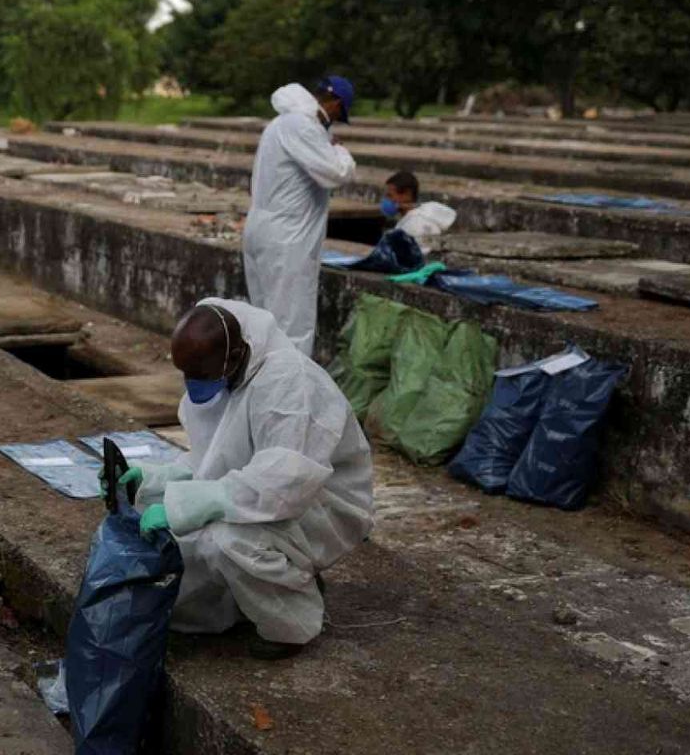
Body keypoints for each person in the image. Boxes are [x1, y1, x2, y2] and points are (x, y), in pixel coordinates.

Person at [117, 299, 374, 659]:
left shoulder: (288, 385)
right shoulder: (226, 370)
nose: (194, 386)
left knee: (226, 540)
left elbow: (283, 483)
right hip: (264, 490)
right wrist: (152, 481)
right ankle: (270, 583)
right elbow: (215, 460)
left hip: (318, 505)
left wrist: (183, 506)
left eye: (200, 376)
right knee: (170, 532)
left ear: (236, 355)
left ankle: (292, 623)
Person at [242, 77, 358, 356]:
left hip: (262, 229)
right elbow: (336, 173)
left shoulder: (279, 124)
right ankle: (288, 397)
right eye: (339, 116)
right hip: (287, 239)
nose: (333, 123)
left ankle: (262, 392)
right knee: (291, 329)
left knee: (263, 323)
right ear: (336, 105)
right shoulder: (303, 126)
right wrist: (339, 149)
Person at [381, 170, 456, 254]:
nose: (385, 200)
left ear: (406, 194)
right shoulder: (416, 215)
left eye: (389, 195)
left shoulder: (416, 224)